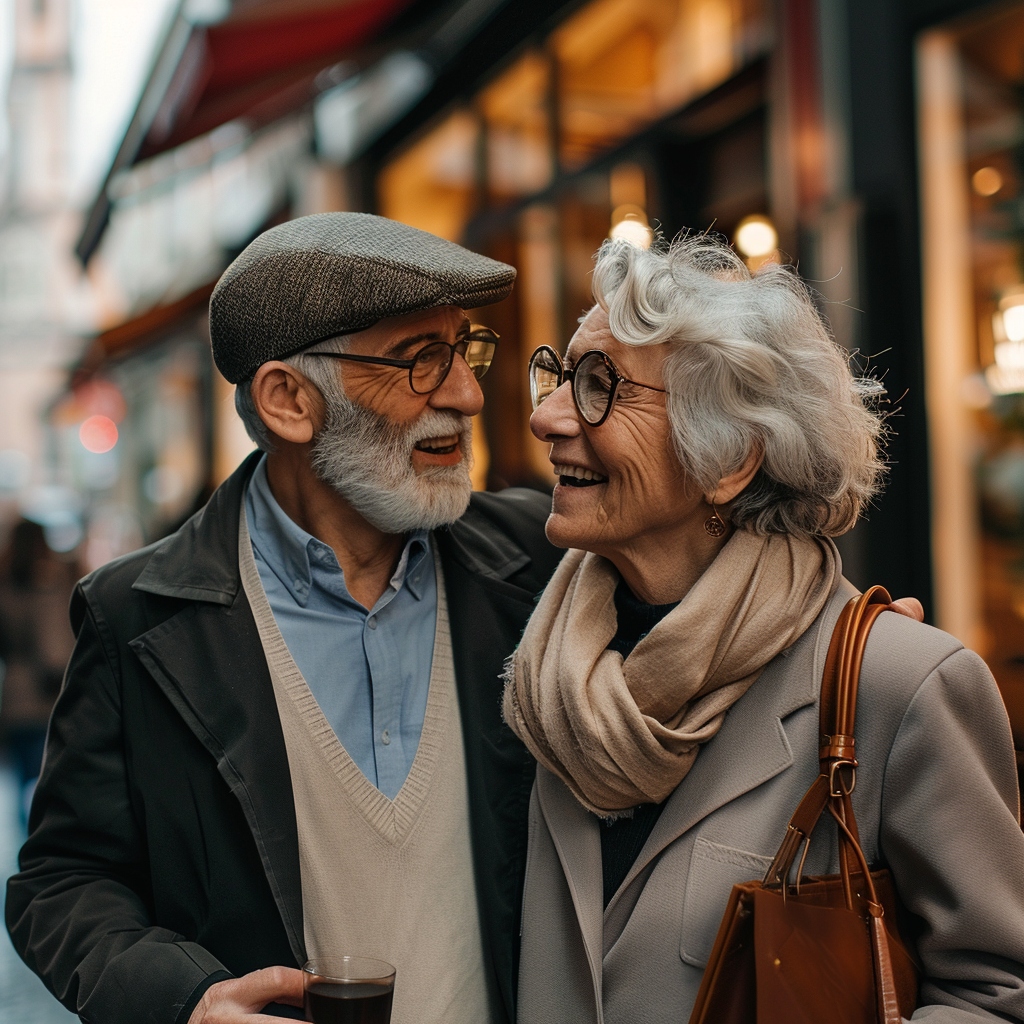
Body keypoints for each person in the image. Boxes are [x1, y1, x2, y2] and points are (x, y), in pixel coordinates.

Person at [6, 213, 561, 1024]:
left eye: (465, 349)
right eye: (420, 361)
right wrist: (184, 1000)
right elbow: (61, 884)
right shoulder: (139, 619)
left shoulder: (537, 561)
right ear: (289, 401)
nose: (468, 394)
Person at [503, 233, 1024, 1023]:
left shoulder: (900, 686)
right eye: (559, 377)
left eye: (598, 385)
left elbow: (997, 992)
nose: (545, 418)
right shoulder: (546, 668)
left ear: (731, 458)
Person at [0, 519, 79, 825]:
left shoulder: (6, 586)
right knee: (47, 787)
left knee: (23, 783)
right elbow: (54, 653)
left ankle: (27, 856)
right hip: (47, 700)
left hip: (15, 699)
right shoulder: (49, 585)